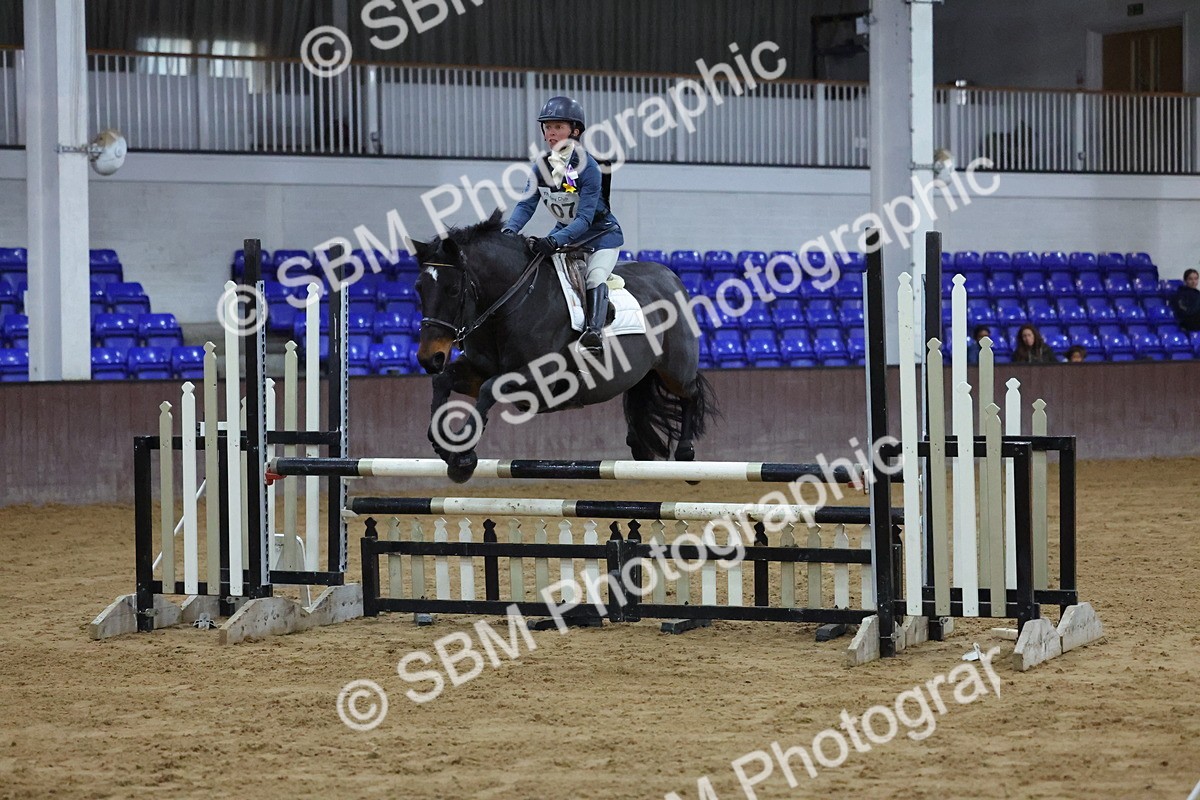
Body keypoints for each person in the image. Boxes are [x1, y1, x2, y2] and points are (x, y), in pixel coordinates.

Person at [502, 96, 624, 353]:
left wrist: (555, 241)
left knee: (594, 276)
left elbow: (584, 219)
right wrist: (508, 232)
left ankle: (593, 334)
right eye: (547, 127)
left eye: (558, 127)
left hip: (599, 235)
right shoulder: (541, 166)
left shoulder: (588, 167)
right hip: (565, 232)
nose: (551, 133)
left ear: (575, 131)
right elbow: (526, 205)